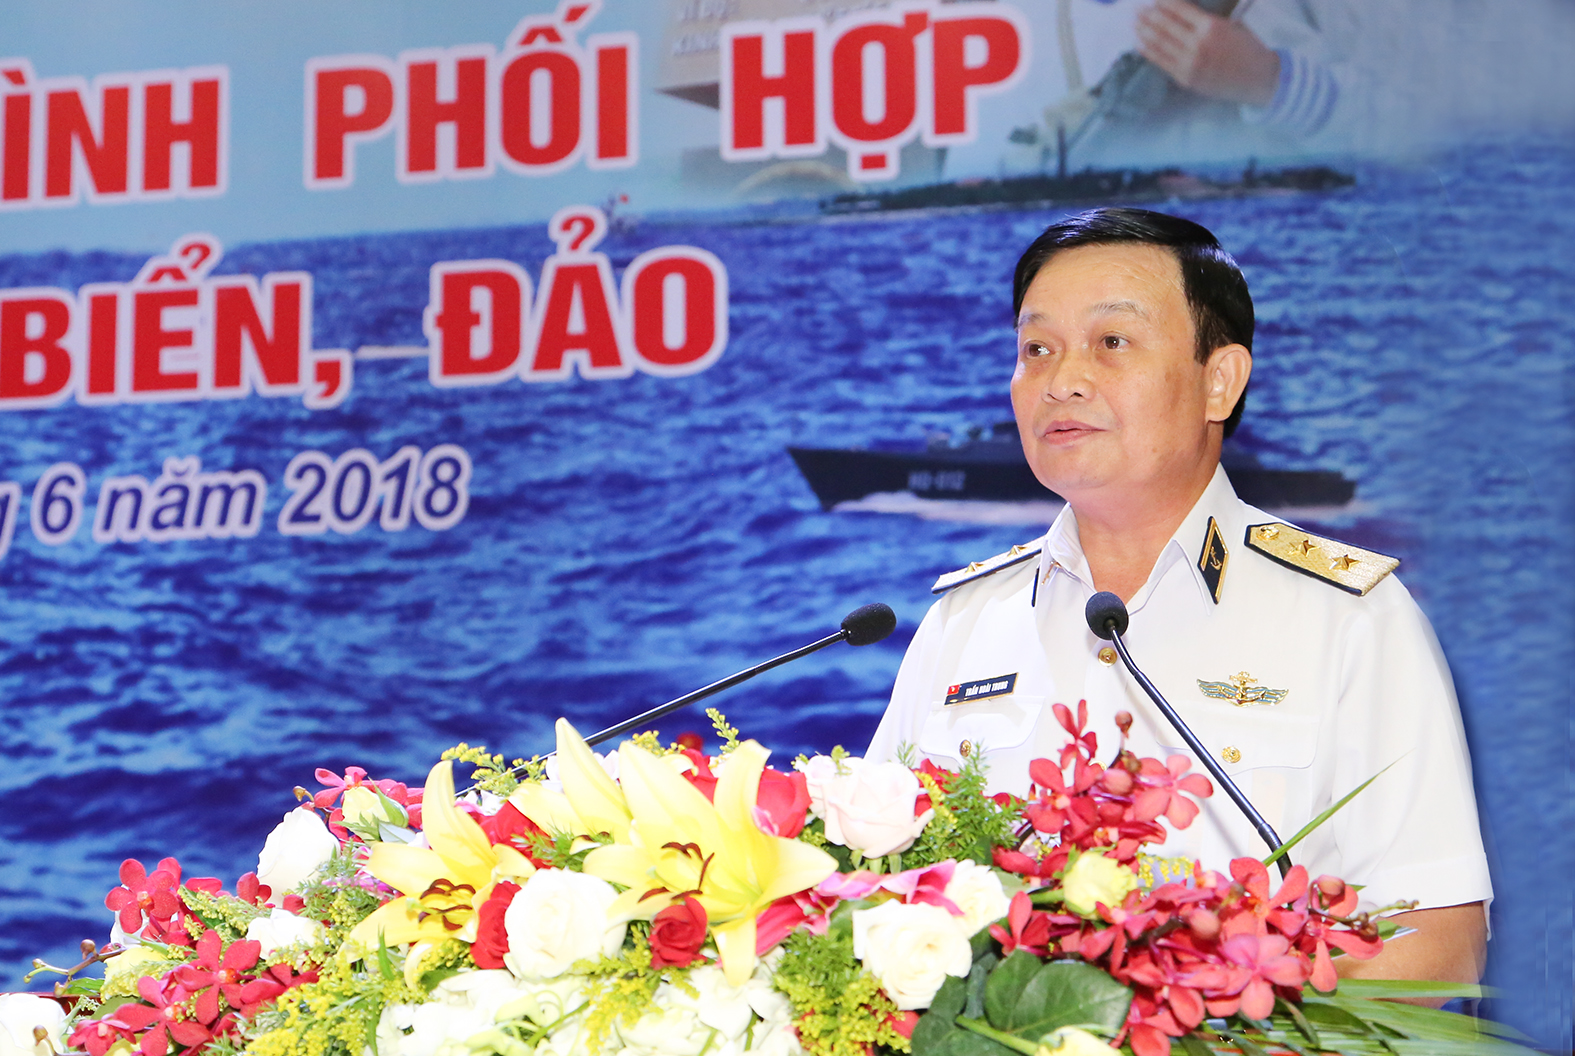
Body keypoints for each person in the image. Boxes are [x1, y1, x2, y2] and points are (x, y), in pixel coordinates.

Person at [867, 207, 1490, 994]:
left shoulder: (1350, 619)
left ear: (1217, 380)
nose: (1061, 380)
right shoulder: (963, 620)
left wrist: (1199, 1023)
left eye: (1111, 341)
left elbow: (1438, 949)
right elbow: (870, 893)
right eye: (1036, 349)